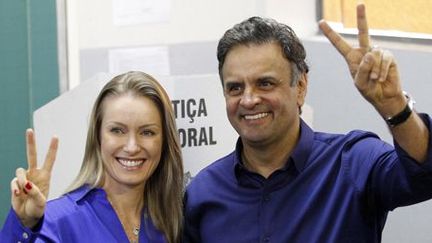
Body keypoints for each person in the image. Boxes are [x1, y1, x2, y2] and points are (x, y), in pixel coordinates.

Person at [184, 3, 432, 243]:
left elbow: (424, 175)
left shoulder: (353, 162)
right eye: (235, 88)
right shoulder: (203, 193)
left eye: (265, 83)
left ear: (300, 86)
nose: (248, 100)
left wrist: (393, 105)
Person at [0, 71, 184, 243]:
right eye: (117, 130)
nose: (132, 147)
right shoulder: (57, 221)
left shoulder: (173, 223)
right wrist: (23, 223)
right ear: (98, 136)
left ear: (165, 140)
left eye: (147, 132)